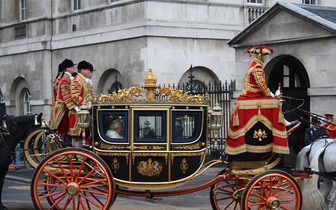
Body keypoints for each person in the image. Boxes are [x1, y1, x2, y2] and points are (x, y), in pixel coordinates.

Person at [242, 44, 299, 129]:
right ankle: (283, 124)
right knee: (275, 102)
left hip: (252, 93)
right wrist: (272, 95)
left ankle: (283, 122)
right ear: (260, 55)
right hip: (253, 94)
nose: (265, 58)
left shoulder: (254, 64)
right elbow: (262, 85)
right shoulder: (257, 67)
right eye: (265, 55)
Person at [50, 59, 76, 138]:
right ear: (67, 68)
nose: (74, 68)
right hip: (63, 107)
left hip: (61, 106)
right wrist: (73, 106)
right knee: (62, 129)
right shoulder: (65, 79)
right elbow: (66, 95)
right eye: (72, 66)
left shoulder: (63, 78)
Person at [69, 60, 94, 141]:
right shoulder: (77, 81)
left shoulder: (83, 80)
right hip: (79, 112)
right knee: (78, 136)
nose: (89, 72)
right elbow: (75, 96)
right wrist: (85, 104)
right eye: (87, 70)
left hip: (84, 112)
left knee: (85, 134)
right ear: (82, 70)